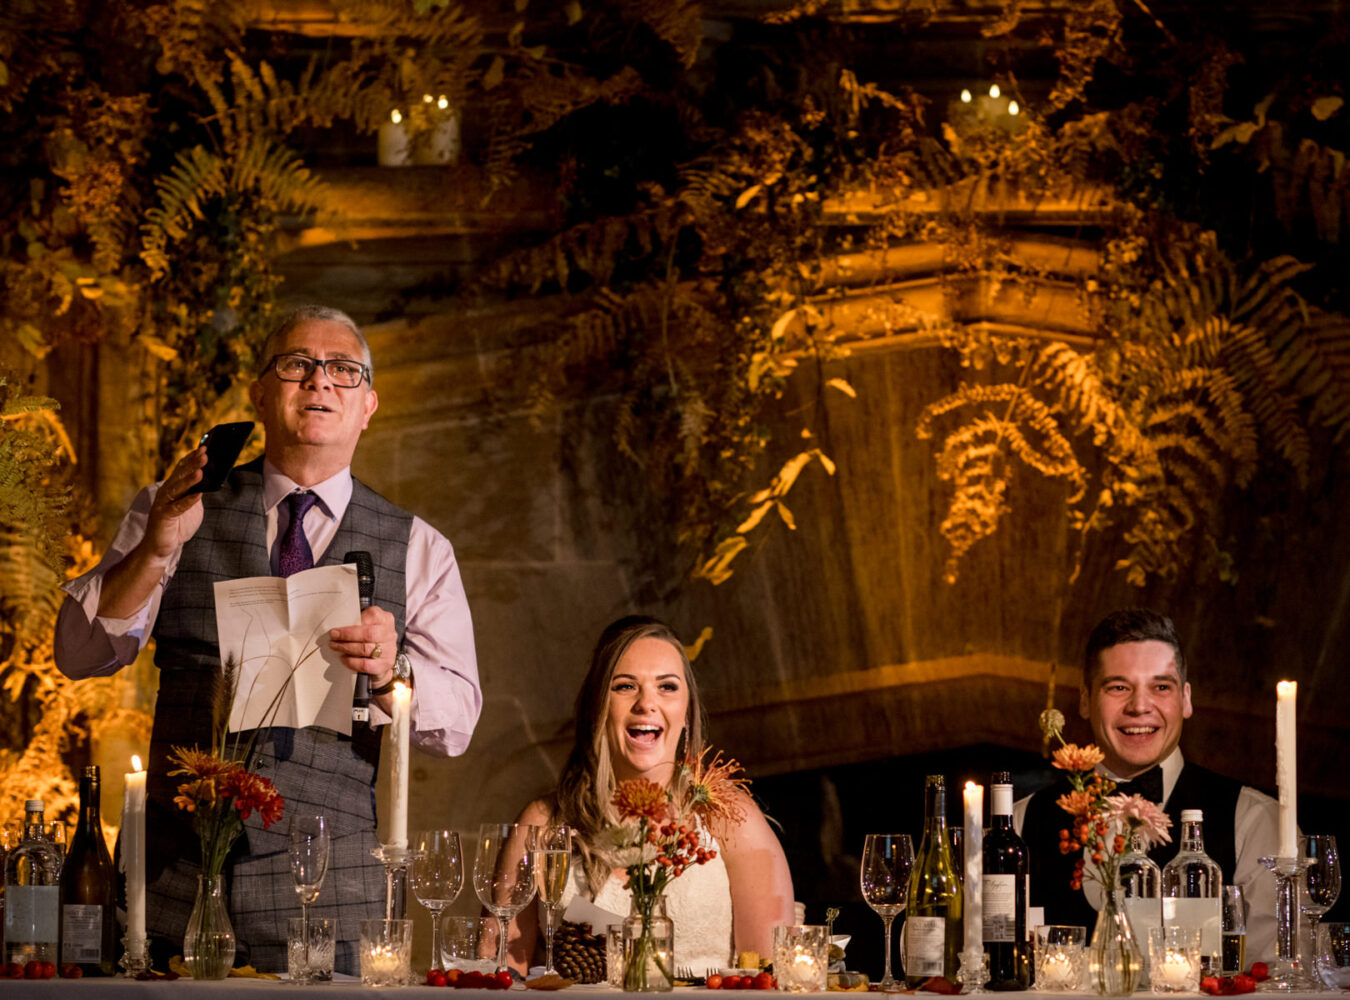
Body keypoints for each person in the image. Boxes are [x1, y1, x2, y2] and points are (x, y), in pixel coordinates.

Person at [53, 305, 482, 973]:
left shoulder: (419, 546)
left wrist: (391, 668)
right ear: (259, 393)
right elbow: (79, 654)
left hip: (331, 893)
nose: (320, 382)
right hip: (173, 881)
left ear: (368, 405)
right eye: (296, 365)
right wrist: (154, 552)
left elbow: (458, 720)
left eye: (343, 371)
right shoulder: (173, 505)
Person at [509, 616, 794, 975]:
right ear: (597, 706)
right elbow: (501, 968)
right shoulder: (544, 822)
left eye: (667, 687)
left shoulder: (728, 816)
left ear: (687, 713)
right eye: (625, 686)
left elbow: (770, 972)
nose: (647, 703)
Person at [1016, 608, 1281, 964]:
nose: (1140, 706)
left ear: (1185, 699)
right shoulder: (1020, 822)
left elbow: (1275, 978)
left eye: (1160, 687)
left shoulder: (1253, 821)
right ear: (1084, 699)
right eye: (1119, 687)